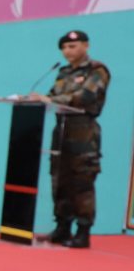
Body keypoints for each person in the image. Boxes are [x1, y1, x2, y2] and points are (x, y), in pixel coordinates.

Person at [32, 29, 111, 249]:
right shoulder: (63, 72)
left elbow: (86, 96)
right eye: (65, 47)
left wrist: (51, 99)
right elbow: (52, 95)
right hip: (61, 129)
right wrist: (38, 99)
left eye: (73, 46)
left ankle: (83, 231)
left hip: (83, 130)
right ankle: (62, 227)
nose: (68, 51)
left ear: (86, 46)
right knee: (60, 178)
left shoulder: (97, 70)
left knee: (82, 181)